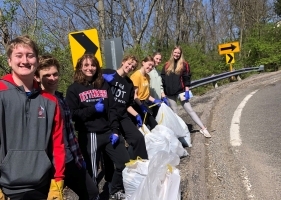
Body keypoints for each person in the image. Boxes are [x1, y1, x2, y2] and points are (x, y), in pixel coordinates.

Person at [0, 35, 65, 199]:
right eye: (19, 55)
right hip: (6, 187)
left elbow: (58, 144)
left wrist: (57, 182)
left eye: (30, 55)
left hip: (42, 186)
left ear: (36, 61)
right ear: (9, 60)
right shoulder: (1, 92)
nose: (25, 60)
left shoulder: (50, 102)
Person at [65, 53, 130, 200]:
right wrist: (93, 109)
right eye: (86, 65)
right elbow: (72, 114)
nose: (90, 68)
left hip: (108, 132)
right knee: (92, 172)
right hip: (89, 134)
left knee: (124, 163)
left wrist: (115, 130)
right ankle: (93, 196)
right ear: (80, 67)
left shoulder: (103, 85)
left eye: (93, 65)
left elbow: (112, 109)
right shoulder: (74, 89)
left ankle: (115, 190)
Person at [35, 55, 99, 200]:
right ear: (38, 78)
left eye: (55, 74)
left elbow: (69, 130)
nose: (52, 78)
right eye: (47, 75)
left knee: (92, 193)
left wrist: (78, 157)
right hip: (50, 165)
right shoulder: (37, 102)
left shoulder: (60, 98)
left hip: (70, 159)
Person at [102, 55, 148, 160]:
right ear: (123, 62)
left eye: (133, 66)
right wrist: (102, 77)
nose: (130, 67)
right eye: (129, 63)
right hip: (108, 116)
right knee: (116, 144)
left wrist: (136, 115)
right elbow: (92, 77)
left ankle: (142, 165)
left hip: (122, 116)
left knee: (138, 138)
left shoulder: (129, 84)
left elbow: (127, 105)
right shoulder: (108, 72)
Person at [161, 45, 211, 138]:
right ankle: (177, 134)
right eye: (175, 52)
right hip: (170, 93)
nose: (176, 54)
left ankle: (203, 128)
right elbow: (163, 80)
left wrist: (187, 90)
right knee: (174, 113)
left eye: (178, 53)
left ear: (180, 54)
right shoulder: (166, 65)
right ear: (172, 53)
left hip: (181, 91)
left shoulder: (184, 64)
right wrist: (163, 94)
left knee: (190, 110)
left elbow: (186, 78)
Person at [130, 55, 161, 130]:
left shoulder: (147, 77)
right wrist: (141, 105)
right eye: (149, 64)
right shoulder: (136, 76)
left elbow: (147, 95)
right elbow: (134, 95)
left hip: (144, 104)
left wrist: (155, 101)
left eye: (152, 66)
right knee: (146, 127)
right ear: (143, 63)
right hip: (136, 104)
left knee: (153, 126)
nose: (150, 67)